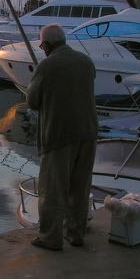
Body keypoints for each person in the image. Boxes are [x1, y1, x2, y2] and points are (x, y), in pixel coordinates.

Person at [26, 23, 98, 251]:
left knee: (53, 189)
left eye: (42, 46)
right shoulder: (86, 62)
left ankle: (50, 237)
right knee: (80, 187)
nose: (42, 49)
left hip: (59, 135)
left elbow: (32, 101)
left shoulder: (47, 66)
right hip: (88, 132)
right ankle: (76, 234)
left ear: (46, 45)